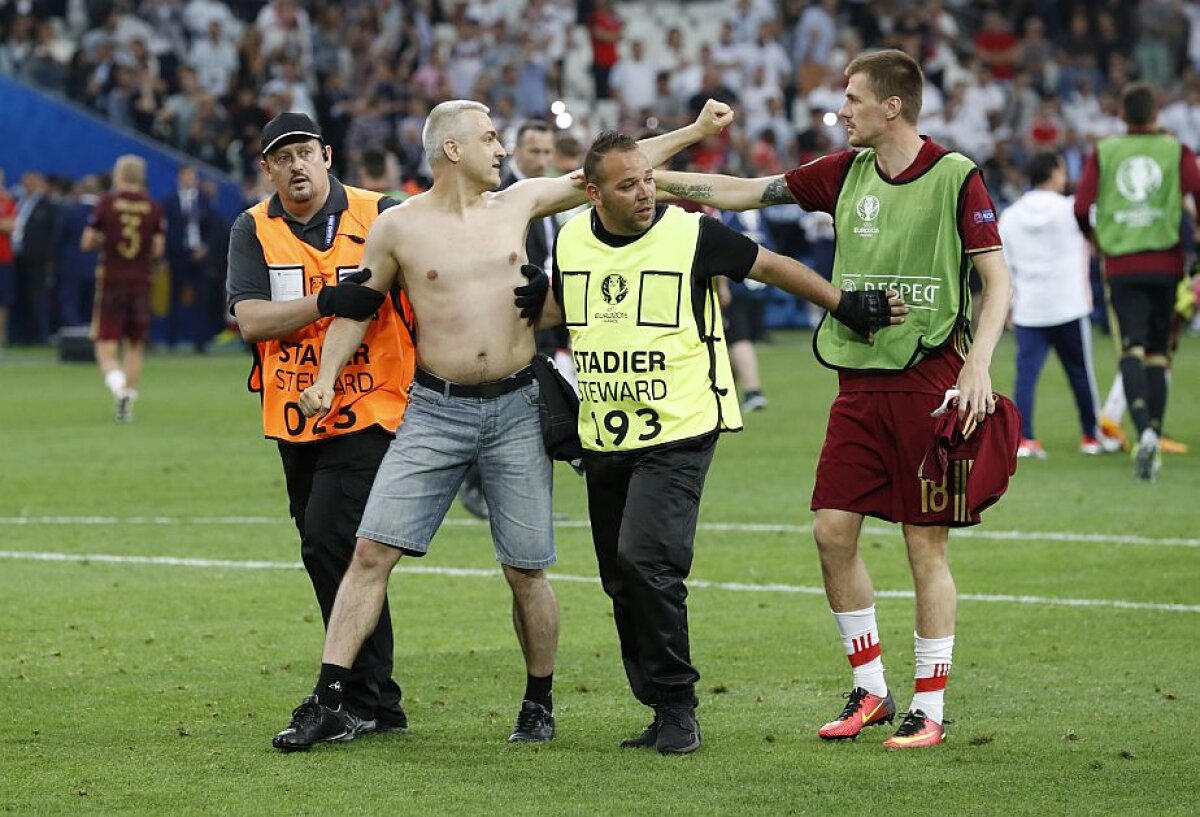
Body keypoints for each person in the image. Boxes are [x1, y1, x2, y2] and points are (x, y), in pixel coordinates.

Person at [272, 98, 738, 752]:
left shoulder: (517, 204)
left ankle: (538, 699)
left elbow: (610, 171)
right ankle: (329, 695)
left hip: (518, 403)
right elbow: (357, 305)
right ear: (453, 150)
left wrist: (693, 131)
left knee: (526, 568)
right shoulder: (399, 226)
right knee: (371, 550)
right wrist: (324, 375)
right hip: (434, 408)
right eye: (490, 138)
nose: (501, 148)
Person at [655, 49, 1017, 749]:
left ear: (892, 107)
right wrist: (650, 179)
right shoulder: (841, 172)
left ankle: (931, 707)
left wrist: (977, 367)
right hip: (857, 379)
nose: (840, 110)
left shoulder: (955, 177)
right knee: (830, 531)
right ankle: (872, 691)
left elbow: (996, 282)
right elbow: (743, 192)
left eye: (851, 99)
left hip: (933, 381)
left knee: (924, 546)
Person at [536, 131, 904, 755]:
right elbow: (565, 310)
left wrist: (844, 305)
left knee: (646, 560)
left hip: (681, 427)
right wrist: (530, 306)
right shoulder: (571, 241)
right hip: (604, 434)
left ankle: (679, 706)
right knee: (619, 578)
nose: (645, 191)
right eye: (628, 184)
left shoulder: (691, 233)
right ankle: (657, 705)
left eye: (648, 178)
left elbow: (770, 265)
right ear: (594, 194)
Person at [226, 112, 415, 749]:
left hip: (373, 404)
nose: (296, 166)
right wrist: (325, 303)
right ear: (267, 169)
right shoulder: (253, 228)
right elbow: (251, 320)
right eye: (283, 158)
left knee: (328, 539)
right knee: (336, 549)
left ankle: (351, 696)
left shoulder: (380, 213)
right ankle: (378, 700)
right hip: (294, 413)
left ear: (327, 156)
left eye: (305, 152)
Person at [1074, 82, 1200, 482]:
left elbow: (1081, 205)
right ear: (1156, 115)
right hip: (1167, 263)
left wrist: (1095, 239)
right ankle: (1155, 436)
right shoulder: (1175, 150)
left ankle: (1143, 429)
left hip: (1122, 265)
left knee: (1131, 348)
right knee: (1161, 354)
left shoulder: (1105, 152)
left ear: (1122, 116)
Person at [457, 119, 568, 521]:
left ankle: (511, 497)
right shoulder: (502, 199)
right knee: (523, 411)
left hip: (539, 320)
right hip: (509, 320)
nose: (540, 159)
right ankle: (482, 484)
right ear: (515, 151)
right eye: (533, 151)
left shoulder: (547, 200)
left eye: (546, 152)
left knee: (534, 412)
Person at [998, 151, 1119, 458]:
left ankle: (1024, 440)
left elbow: (1004, 265)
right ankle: (1090, 437)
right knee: (1081, 375)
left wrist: (1009, 306)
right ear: (1053, 172)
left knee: (1025, 377)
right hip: (1069, 305)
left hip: (1030, 308)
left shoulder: (1010, 216)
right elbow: (1102, 227)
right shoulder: (1070, 210)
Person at [81, 156, 165, 422]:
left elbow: (87, 241)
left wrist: (104, 240)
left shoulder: (107, 203)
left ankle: (119, 389)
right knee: (134, 345)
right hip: (141, 280)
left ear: (119, 175)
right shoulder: (153, 207)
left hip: (112, 280)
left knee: (105, 346)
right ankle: (128, 396)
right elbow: (157, 249)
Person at [164, 165, 215, 352]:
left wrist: (205, 248)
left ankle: (201, 342)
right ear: (179, 178)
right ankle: (172, 341)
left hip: (199, 254)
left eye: (192, 176)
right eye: (185, 176)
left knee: (201, 298)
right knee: (174, 297)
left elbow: (212, 228)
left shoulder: (204, 200)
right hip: (178, 256)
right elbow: (166, 231)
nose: (189, 179)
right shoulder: (169, 202)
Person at [0, 169, 17, 352]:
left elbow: (12, 225)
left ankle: (0, 339)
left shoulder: (6, 200)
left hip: (3, 257)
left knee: (2, 301)